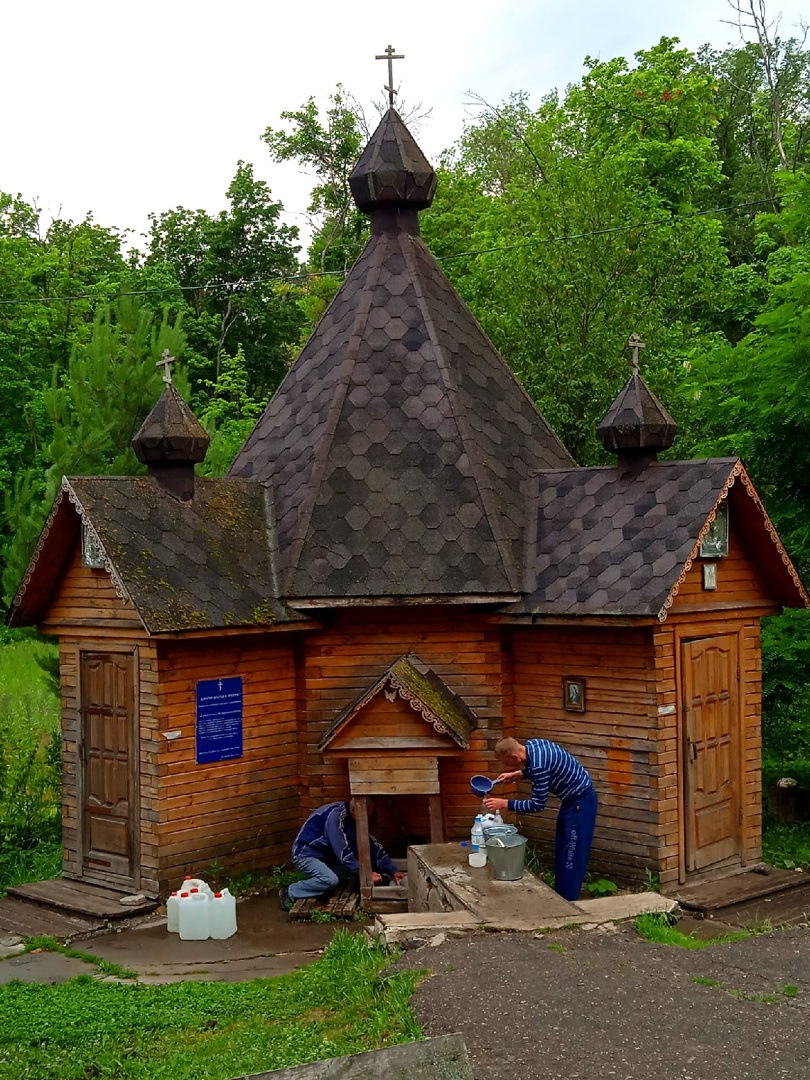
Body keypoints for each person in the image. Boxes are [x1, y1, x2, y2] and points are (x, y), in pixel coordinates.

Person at [484, 737, 597, 901]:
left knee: (572, 856)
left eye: (507, 763)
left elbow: (537, 805)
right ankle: (560, 897)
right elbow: (547, 765)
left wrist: (505, 803)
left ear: (515, 757)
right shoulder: (533, 745)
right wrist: (519, 774)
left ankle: (568, 904)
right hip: (571, 801)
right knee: (561, 849)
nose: (506, 767)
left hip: (582, 803)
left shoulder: (538, 766)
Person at [280, 798, 404, 911]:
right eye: (365, 816)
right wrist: (365, 874)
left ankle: (319, 883)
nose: (366, 820)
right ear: (355, 810)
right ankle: (291, 891)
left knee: (351, 867)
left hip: (326, 856)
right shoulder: (335, 817)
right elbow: (343, 852)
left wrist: (392, 871)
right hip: (305, 855)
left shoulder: (353, 819)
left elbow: (372, 846)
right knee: (330, 880)